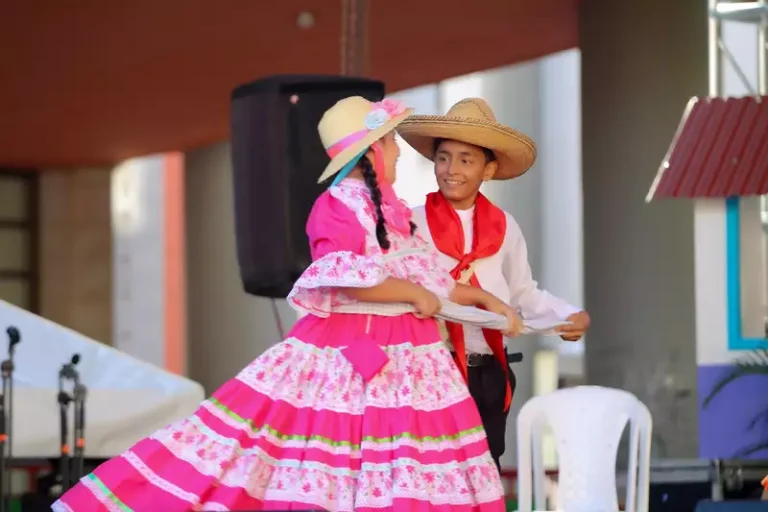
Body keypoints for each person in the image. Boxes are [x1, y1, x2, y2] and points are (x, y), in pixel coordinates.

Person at [52, 96, 522, 512]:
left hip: (410, 360)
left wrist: (485, 299)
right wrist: (410, 293)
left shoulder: (395, 214)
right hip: (351, 351)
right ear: (372, 151)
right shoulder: (338, 205)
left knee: (405, 467)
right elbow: (345, 278)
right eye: (392, 143)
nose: (399, 152)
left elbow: (429, 277)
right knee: (324, 458)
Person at [398, 98, 591, 471]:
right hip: (430, 368)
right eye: (443, 157)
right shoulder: (411, 223)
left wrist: (567, 316)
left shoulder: (505, 226)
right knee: (429, 476)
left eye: (466, 160)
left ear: (488, 169)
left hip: (488, 371)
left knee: (483, 475)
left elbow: (523, 293)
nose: (451, 170)